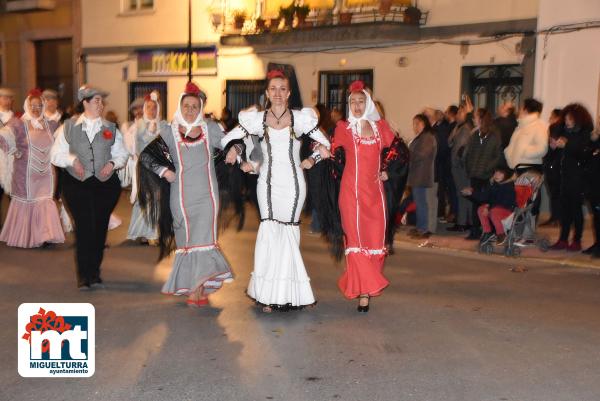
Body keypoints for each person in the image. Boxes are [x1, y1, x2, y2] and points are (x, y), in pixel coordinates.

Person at [222, 69, 331, 313]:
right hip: (267, 184)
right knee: (270, 234)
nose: (278, 93)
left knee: (289, 236)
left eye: (283, 89)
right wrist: (238, 153)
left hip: (293, 184)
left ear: (289, 93)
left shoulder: (301, 119)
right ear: (267, 93)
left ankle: (290, 294)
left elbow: (325, 143)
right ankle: (267, 295)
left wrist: (313, 159)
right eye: (274, 89)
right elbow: (231, 139)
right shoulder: (257, 120)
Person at [138, 82, 234, 306]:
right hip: (180, 198)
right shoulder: (170, 131)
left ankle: (197, 290)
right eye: (186, 106)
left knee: (204, 242)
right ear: (180, 107)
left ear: (200, 107)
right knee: (187, 242)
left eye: (194, 106)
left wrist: (236, 151)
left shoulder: (211, 129)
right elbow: (146, 157)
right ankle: (196, 287)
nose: (190, 110)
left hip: (208, 197)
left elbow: (232, 143)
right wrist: (165, 172)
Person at [329, 81, 400, 312]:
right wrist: (317, 153)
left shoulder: (382, 128)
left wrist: (388, 169)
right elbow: (331, 151)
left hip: (375, 196)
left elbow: (400, 152)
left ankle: (367, 286)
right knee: (356, 243)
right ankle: (363, 293)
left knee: (375, 243)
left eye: (361, 101)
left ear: (368, 102)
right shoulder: (344, 128)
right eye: (352, 102)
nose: (357, 106)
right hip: (351, 195)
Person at [50, 85, 129, 290]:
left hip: (105, 186)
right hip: (77, 185)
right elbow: (55, 154)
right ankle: (84, 275)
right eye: (96, 101)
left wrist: (112, 164)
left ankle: (95, 272)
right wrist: (71, 160)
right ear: (85, 103)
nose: (100, 105)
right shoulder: (67, 127)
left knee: (99, 228)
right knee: (84, 227)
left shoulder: (111, 129)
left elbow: (122, 154)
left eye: (102, 101)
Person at [0, 89, 64, 248]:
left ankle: (45, 235)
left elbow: (64, 140)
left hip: (46, 174)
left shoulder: (51, 124)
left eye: (39, 105)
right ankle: (28, 235)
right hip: (26, 174)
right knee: (28, 201)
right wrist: (14, 151)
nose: (36, 108)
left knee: (45, 201)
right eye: (32, 105)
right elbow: (2, 136)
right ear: (27, 106)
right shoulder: (18, 123)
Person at [549, 103, 594, 252]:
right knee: (564, 210)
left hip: (577, 178)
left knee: (576, 210)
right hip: (563, 176)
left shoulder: (584, 133)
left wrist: (567, 145)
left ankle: (576, 240)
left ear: (577, 119)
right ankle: (562, 238)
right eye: (566, 119)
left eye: (570, 119)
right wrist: (554, 146)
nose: (567, 122)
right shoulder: (562, 131)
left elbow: (582, 153)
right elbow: (555, 153)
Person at [126, 91, 162, 244]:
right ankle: (140, 232)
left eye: (154, 107)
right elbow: (136, 146)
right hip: (144, 168)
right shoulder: (139, 125)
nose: (152, 110)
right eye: (149, 107)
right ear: (145, 108)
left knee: (156, 200)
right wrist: (150, 132)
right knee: (144, 199)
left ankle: (152, 233)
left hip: (158, 169)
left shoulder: (161, 124)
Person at [464, 108, 502, 240]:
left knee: (486, 202)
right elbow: (469, 154)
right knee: (475, 202)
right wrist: (470, 167)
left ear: (481, 119)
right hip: (475, 174)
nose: (473, 120)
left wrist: (487, 168)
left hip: (486, 175)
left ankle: (488, 230)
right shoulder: (475, 135)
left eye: (475, 117)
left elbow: (496, 156)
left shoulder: (494, 135)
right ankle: (475, 230)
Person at [462, 166, 515, 246]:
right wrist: (471, 193)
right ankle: (487, 232)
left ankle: (501, 234)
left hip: (507, 210)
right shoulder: (493, 184)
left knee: (494, 211)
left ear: (506, 175)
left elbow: (503, 202)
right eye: (495, 172)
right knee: (481, 209)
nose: (496, 175)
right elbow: (483, 197)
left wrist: (489, 207)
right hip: (494, 208)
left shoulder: (509, 186)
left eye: (500, 173)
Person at [407, 114, 437, 239]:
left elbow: (422, 154)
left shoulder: (428, 137)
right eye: (414, 124)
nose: (415, 126)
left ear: (424, 124)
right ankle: (420, 227)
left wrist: (408, 153)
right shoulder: (421, 137)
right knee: (419, 202)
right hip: (417, 174)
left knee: (422, 203)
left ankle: (423, 228)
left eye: (417, 123)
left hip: (422, 174)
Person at [447, 104, 474, 232]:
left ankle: (464, 222)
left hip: (461, 167)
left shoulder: (466, 128)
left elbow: (461, 148)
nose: (457, 115)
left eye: (460, 113)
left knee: (463, 194)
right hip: (457, 166)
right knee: (461, 194)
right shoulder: (459, 127)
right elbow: (449, 142)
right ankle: (464, 221)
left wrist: (458, 162)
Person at [504, 98, 548, 173]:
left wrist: (523, 151)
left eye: (521, 107)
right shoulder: (521, 126)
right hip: (516, 168)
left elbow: (542, 149)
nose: (519, 110)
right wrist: (507, 151)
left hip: (528, 169)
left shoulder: (538, 126)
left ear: (526, 110)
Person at [540, 108, 563, 226]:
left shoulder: (554, 127)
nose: (549, 118)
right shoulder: (565, 128)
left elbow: (552, 145)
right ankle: (559, 218)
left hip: (553, 164)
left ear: (556, 116)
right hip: (561, 165)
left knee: (554, 193)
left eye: (551, 116)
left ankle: (555, 218)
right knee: (559, 193)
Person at [0, 87, 16, 223]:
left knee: (14, 194)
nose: (7, 101)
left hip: (12, 159)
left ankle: (15, 226)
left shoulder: (16, 117)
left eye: (9, 98)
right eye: (4, 98)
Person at [584, 119, 599, 258]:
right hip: (593, 184)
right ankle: (597, 242)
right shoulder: (595, 139)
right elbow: (587, 155)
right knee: (595, 216)